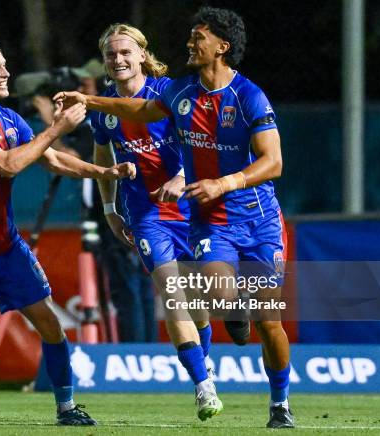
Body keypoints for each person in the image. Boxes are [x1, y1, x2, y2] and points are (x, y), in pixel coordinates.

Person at [55, 7, 294, 429]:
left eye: (197, 36)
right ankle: (209, 372)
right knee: (217, 296)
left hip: (258, 218)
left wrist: (223, 182)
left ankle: (279, 404)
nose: (189, 41)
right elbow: (138, 111)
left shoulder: (249, 96)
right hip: (210, 219)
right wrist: (87, 99)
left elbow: (273, 162)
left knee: (269, 321)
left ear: (222, 46)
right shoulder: (181, 93)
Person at [0, 39, 135, 426]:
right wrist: (57, 126)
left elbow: (52, 157)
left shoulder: (11, 120)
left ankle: (66, 407)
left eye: (5, 64)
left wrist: (104, 173)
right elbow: (8, 165)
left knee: (50, 324)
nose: (6, 72)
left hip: (7, 248)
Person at [90, 23, 218, 419]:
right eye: (111, 54)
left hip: (191, 208)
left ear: (143, 55)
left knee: (199, 298)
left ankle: (205, 358)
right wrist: (110, 208)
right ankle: (204, 387)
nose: (118, 59)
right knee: (172, 292)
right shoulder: (106, 109)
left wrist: (182, 179)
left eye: (126, 52)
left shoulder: (170, 94)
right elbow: (101, 157)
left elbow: (205, 144)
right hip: (146, 214)